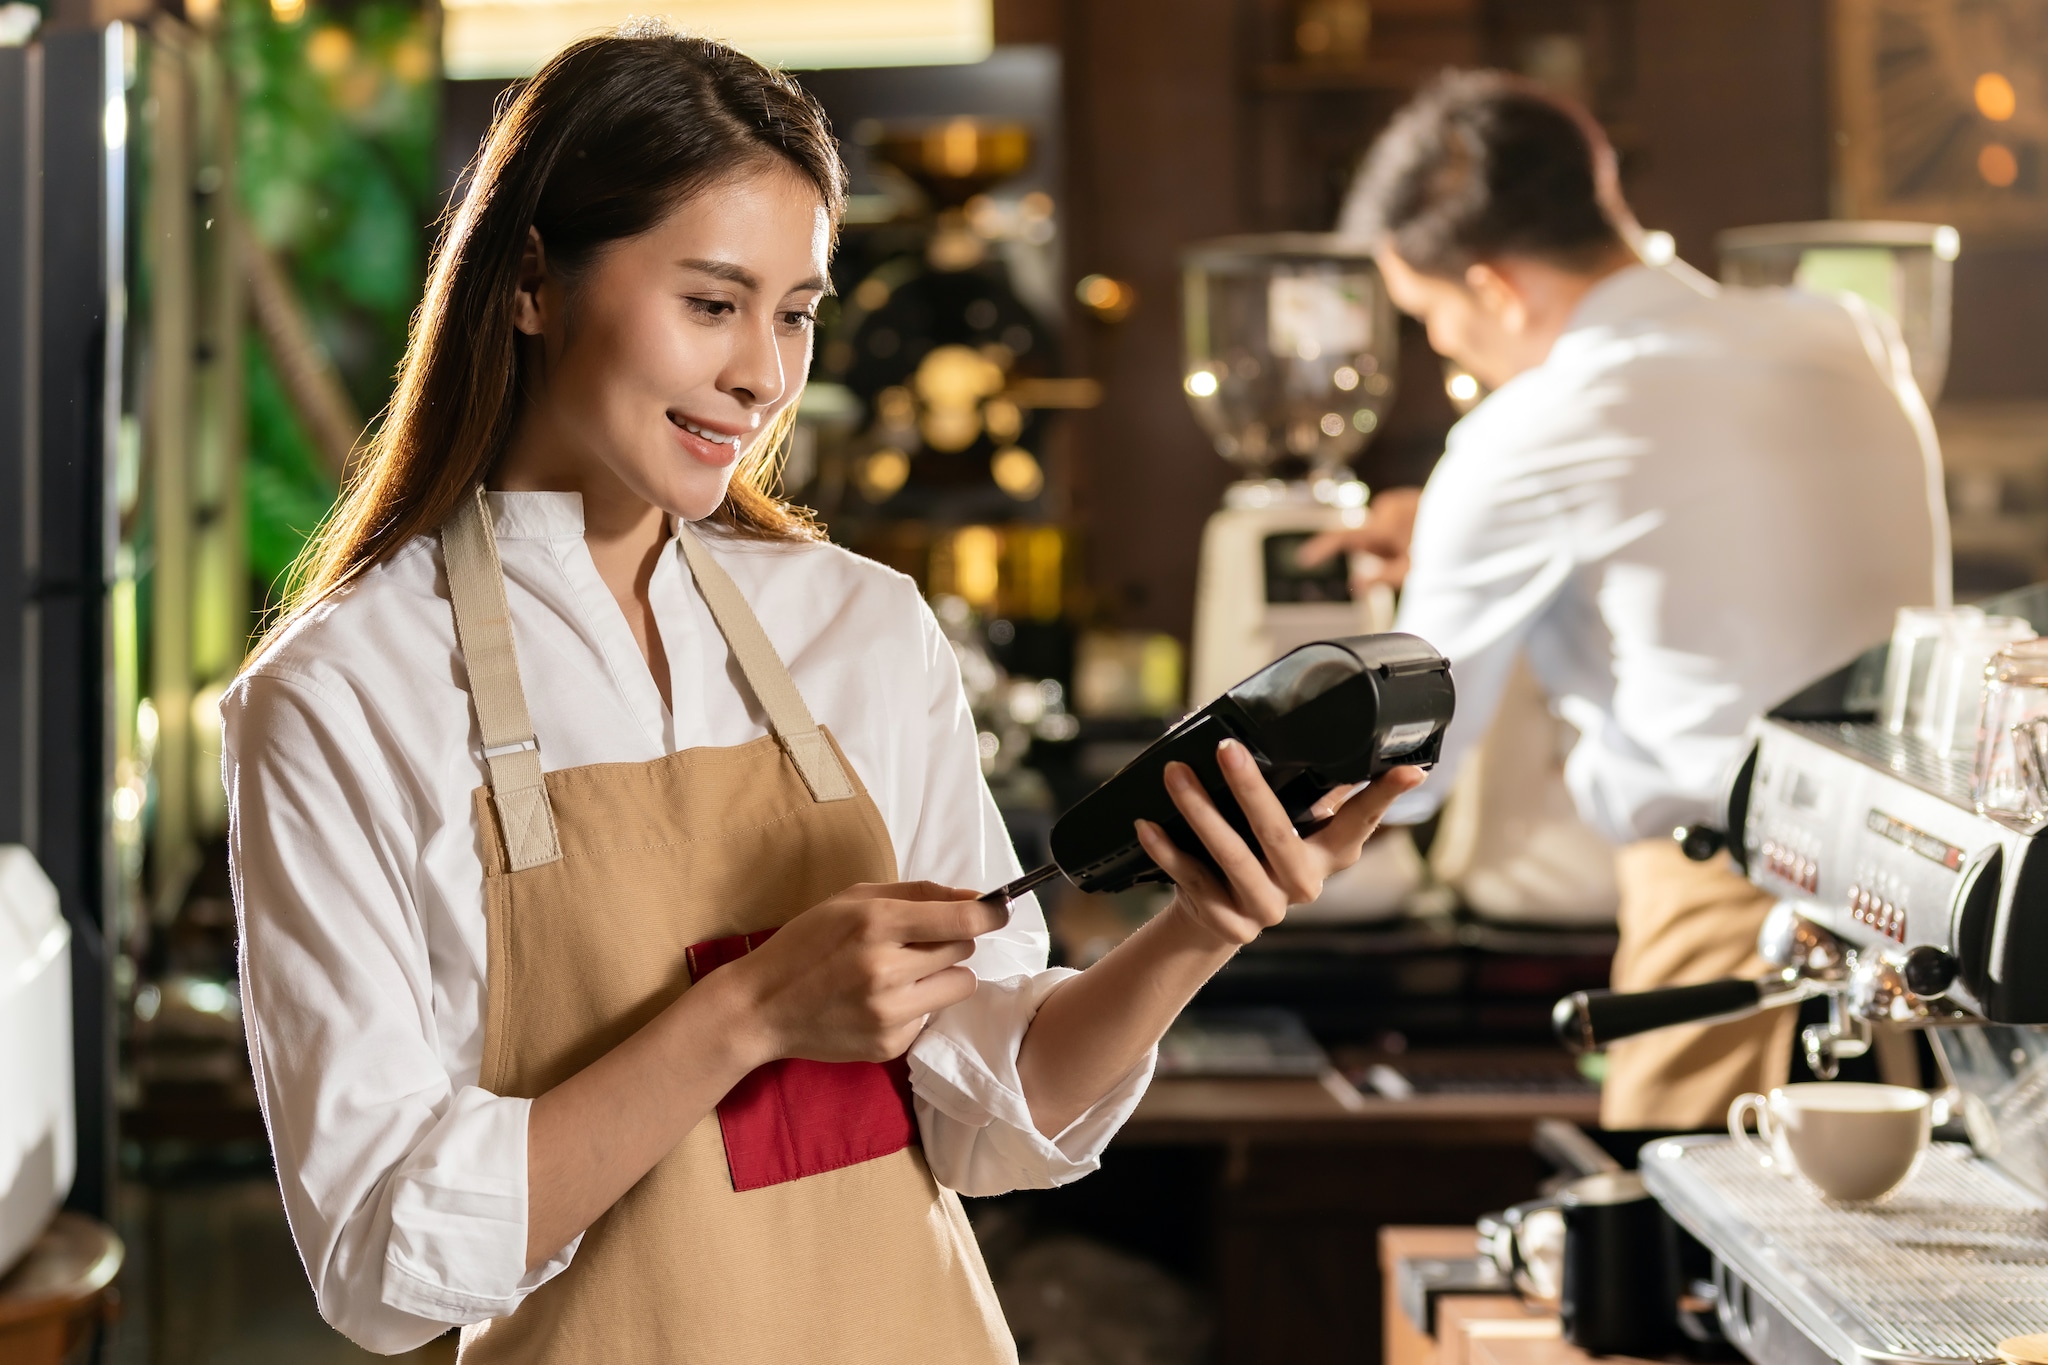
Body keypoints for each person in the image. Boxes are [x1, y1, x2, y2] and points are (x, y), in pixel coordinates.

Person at [223, 29, 1420, 1362]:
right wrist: (750, 1014)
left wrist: (1200, 928)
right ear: (531, 286)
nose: (763, 376)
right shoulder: (339, 694)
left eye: (794, 312)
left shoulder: (859, 625)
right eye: (711, 302)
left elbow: (983, 1115)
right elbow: (383, 1255)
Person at [1305, 70, 1943, 1129]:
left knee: (1669, 1270)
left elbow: (1405, 775)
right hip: (1919, 929)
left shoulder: (1527, 429)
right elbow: (1714, 535)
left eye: (1430, 319)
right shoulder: (1845, 339)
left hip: (1721, 924)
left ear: (1494, 289)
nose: (1445, 352)